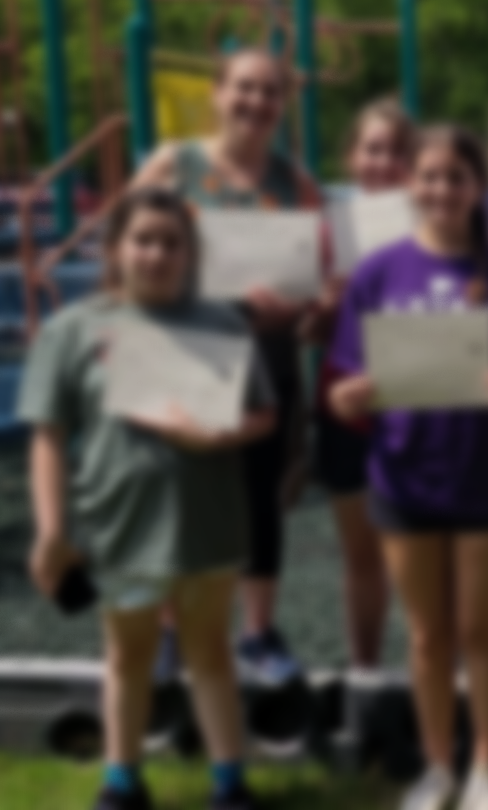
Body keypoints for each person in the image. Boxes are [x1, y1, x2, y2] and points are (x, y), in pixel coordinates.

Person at [22, 188, 277, 810]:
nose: (157, 254)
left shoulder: (219, 322)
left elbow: (265, 414)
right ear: (114, 249)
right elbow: (49, 436)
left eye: (171, 243)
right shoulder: (71, 330)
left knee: (210, 649)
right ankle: (123, 780)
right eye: (143, 240)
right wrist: (52, 533)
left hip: (206, 521)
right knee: (127, 653)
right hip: (120, 525)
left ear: (190, 253)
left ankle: (229, 782)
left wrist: (216, 434)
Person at [329, 125, 488, 810]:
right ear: (410, 183)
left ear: (479, 187)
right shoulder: (378, 271)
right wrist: (348, 395)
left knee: (481, 630)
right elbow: (343, 384)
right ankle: (438, 766)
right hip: (404, 472)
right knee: (426, 634)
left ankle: (486, 764)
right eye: (429, 175)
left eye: (456, 176)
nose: (442, 189)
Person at [130, 47, 323, 685]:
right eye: (244, 88)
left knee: (260, 497)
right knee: (174, 492)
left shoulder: (295, 182)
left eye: (271, 92)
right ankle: (170, 635)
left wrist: (300, 304)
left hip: (265, 354)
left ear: (283, 105)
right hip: (181, 345)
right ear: (217, 93)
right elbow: (124, 246)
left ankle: (258, 634)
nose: (257, 102)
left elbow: (323, 276)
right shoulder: (173, 163)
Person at [314, 98, 417, 669]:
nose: (385, 162)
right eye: (374, 149)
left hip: (419, 408)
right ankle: (366, 673)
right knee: (361, 555)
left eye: (399, 151)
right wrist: (323, 309)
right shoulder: (331, 229)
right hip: (348, 406)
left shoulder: (438, 226)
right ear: (353, 156)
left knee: (421, 555)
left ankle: (430, 674)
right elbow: (309, 330)